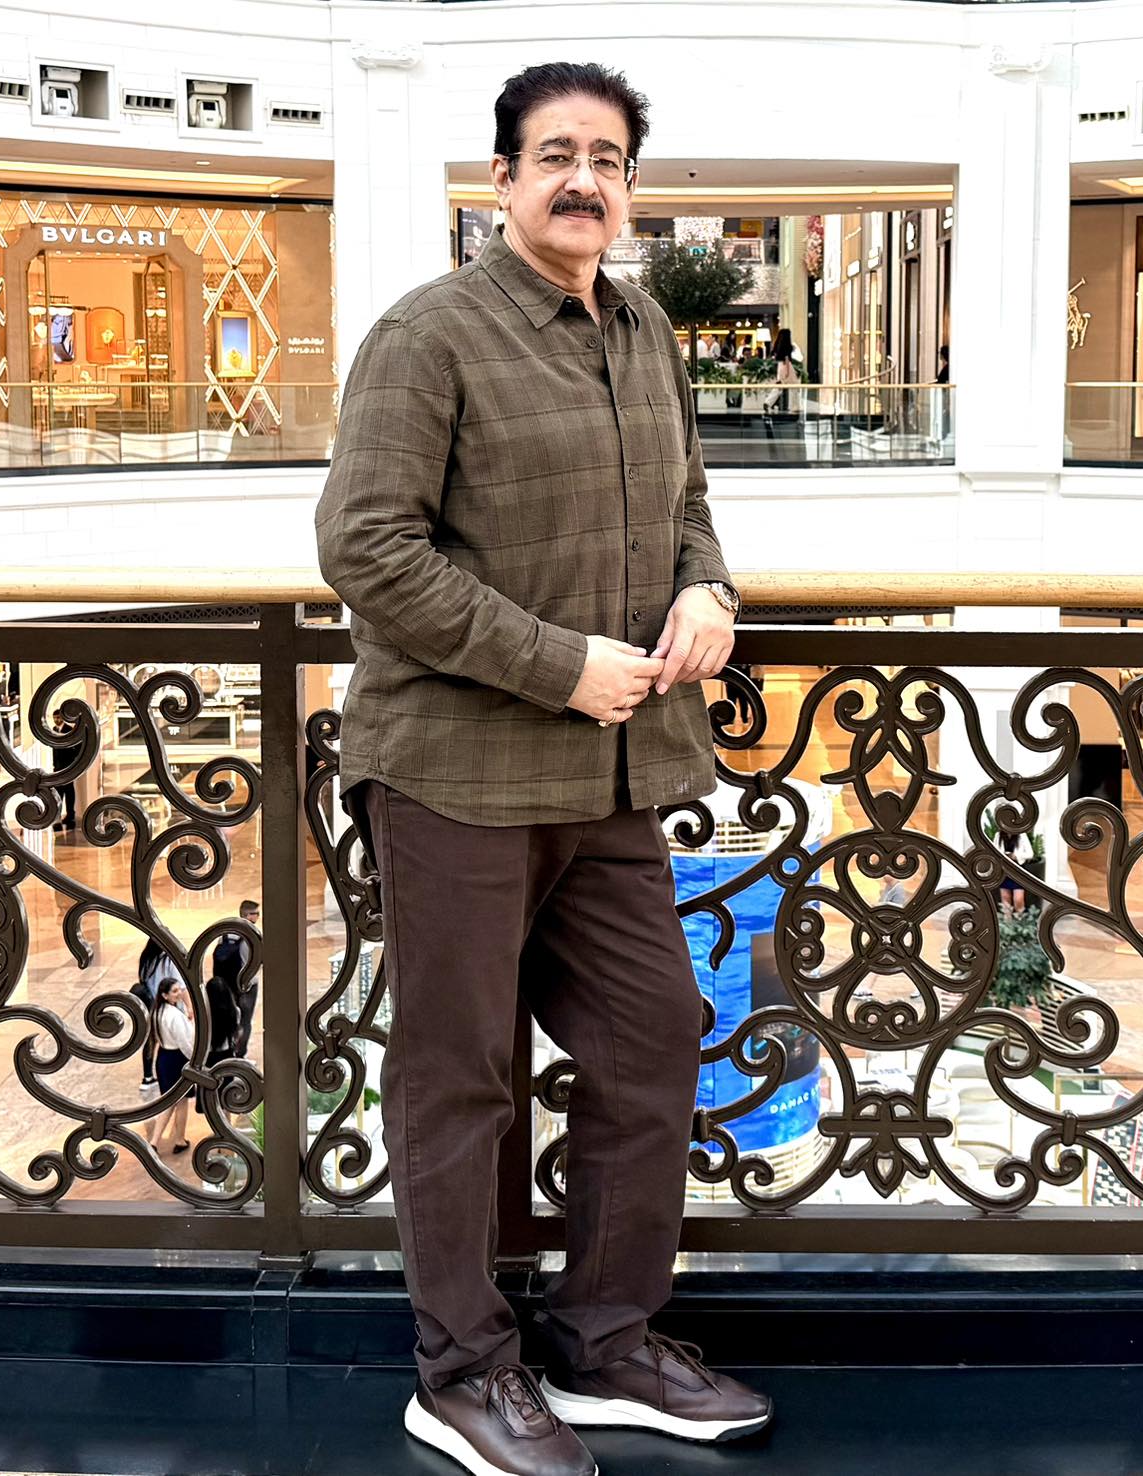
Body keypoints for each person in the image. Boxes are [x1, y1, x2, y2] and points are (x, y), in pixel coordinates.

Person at [316, 59, 767, 1476]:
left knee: (654, 1038)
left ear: (629, 187)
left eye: (608, 158)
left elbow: (689, 503)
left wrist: (709, 590)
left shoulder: (643, 329)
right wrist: (555, 664)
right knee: (459, 1075)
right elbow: (365, 548)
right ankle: (459, 1373)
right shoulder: (428, 335)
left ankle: (604, 1339)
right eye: (556, 154)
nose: (585, 179)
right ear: (502, 179)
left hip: (615, 777)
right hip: (455, 772)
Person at [144, 975, 195, 1156]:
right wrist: (195, 1060)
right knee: (181, 1102)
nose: (179, 993)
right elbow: (184, 1043)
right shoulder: (174, 1015)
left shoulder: (156, 1012)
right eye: (174, 991)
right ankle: (179, 1139)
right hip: (177, 1060)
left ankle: (154, 1142)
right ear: (165, 995)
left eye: (179, 989)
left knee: (168, 1102)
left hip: (163, 1058)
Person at [212, 899, 261, 1056]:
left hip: (227, 985)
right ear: (247, 915)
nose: (258, 916)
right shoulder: (254, 936)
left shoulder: (226, 933)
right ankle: (241, 1053)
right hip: (248, 986)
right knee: (245, 1021)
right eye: (256, 913)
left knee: (229, 1018)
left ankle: (228, 1048)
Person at [133, 939, 182, 1096]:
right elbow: (180, 985)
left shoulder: (146, 959)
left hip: (149, 1006)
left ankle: (147, 1077)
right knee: (170, 1043)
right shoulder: (168, 960)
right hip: (164, 1007)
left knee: (150, 1041)